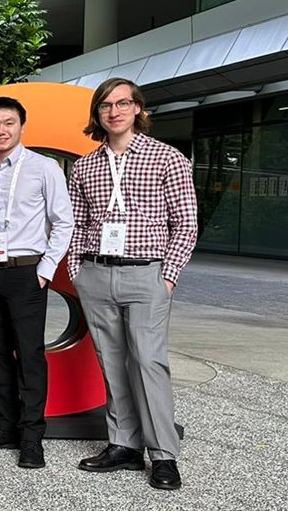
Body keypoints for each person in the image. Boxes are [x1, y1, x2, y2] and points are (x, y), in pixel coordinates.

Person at [67, 78, 197, 491]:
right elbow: (76, 223)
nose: (114, 111)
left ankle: (163, 454)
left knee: (148, 362)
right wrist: (76, 270)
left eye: (123, 103)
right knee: (110, 362)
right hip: (96, 272)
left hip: (147, 274)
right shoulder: (85, 165)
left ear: (138, 108)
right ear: (97, 114)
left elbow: (186, 223)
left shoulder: (167, 158)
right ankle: (123, 444)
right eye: (106, 105)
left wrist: (169, 276)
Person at [0, 96, 74, 469]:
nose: (1, 130)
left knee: (30, 354)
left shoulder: (44, 168)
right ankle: (5, 425)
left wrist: (45, 270)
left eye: (8, 123)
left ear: (22, 126)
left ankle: (31, 437)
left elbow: (63, 221)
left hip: (27, 272)